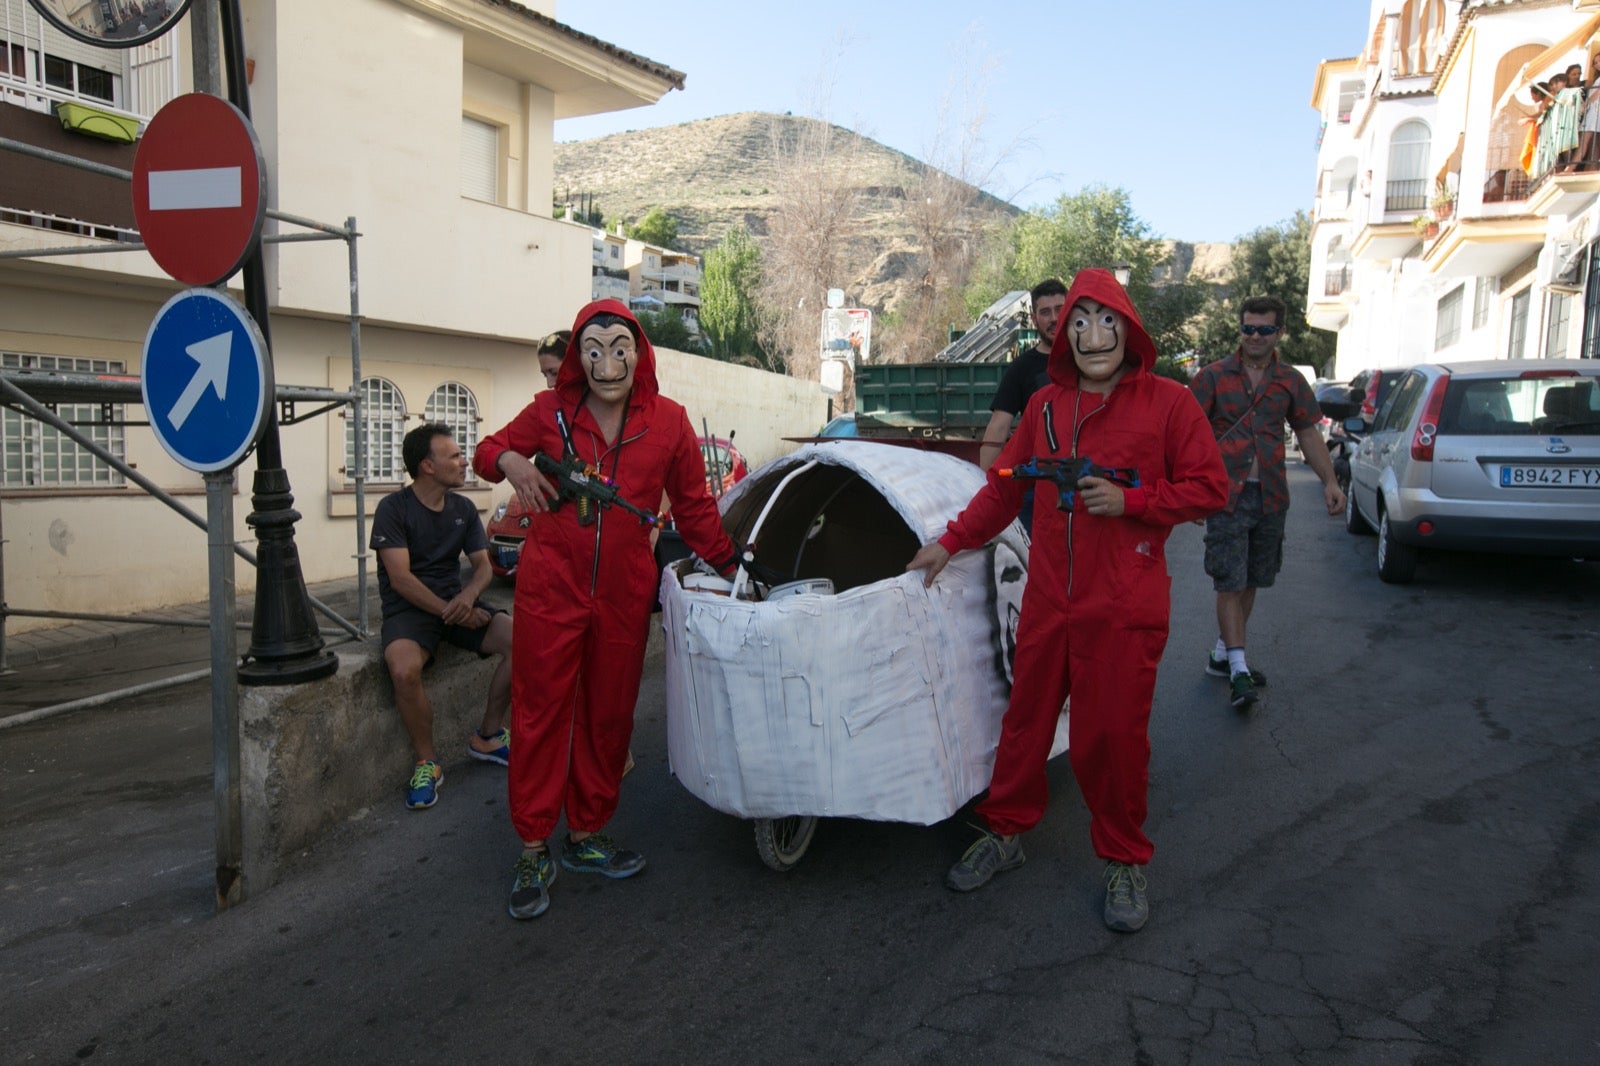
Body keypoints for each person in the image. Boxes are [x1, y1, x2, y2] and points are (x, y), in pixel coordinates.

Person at [907, 269, 1228, 933]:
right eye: (1078, 324)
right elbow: (1002, 488)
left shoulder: (1168, 404)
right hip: (1051, 598)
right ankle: (1006, 831)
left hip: (1125, 604)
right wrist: (949, 542)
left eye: (1103, 320)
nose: (1090, 335)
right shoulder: (1047, 408)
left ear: (1127, 326)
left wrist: (1133, 501)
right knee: (1024, 722)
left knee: (1110, 740)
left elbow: (1210, 488)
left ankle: (1124, 859)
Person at [474, 299, 738, 921]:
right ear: (577, 358)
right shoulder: (548, 414)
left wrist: (733, 567)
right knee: (539, 714)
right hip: (550, 590)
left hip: (622, 593)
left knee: (608, 716)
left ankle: (586, 834)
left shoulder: (669, 424)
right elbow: (488, 451)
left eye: (620, 347)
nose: (607, 362)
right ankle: (535, 844)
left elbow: (696, 510)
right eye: (593, 349)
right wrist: (512, 460)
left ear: (639, 353)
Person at [1188, 295, 1345, 711]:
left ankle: (1224, 655)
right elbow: (1186, 436)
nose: (1254, 336)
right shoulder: (1212, 377)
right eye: (1248, 328)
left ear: (1279, 332)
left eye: (1264, 329)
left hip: (1271, 496)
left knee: (1253, 578)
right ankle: (1239, 669)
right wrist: (1188, 493)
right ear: (1239, 328)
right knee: (1229, 580)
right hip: (1225, 496)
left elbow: (1309, 434)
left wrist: (1330, 481)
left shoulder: (1291, 381)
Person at [371, 423, 514, 811]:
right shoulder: (393, 509)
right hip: (411, 610)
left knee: (524, 641)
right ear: (427, 466)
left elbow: (483, 568)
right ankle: (428, 763)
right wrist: (453, 613)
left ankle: (488, 734)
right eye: (453, 456)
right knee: (402, 670)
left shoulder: (463, 508)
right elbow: (400, 579)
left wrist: (467, 599)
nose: (463, 460)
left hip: (457, 602)